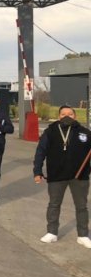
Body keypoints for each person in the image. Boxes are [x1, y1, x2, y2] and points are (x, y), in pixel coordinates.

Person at [33, 106, 91, 248]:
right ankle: (52, 232)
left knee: (82, 206)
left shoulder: (85, 133)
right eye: (63, 114)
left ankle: (83, 235)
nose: (67, 116)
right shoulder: (50, 132)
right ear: (59, 116)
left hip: (80, 176)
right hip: (56, 175)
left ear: (75, 116)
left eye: (70, 114)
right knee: (54, 204)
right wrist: (37, 171)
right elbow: (40, 152)